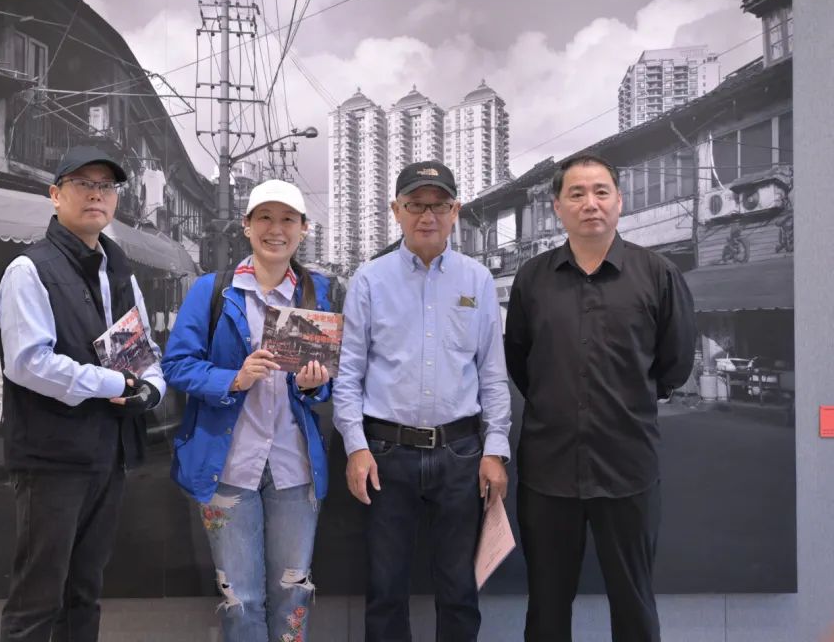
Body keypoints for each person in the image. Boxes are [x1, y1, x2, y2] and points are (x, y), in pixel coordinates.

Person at [504, 153, 697, 642]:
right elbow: (521, 362)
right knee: (547, 606)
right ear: (557, 207)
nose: (590, 203)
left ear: (619, 201)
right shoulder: (532, 279)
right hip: (548, 472)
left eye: (601, 192)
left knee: (634, 603)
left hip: (628, 468)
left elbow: (675, 363)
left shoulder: (658, 274)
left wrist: (627, 400)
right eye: (576, 193)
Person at [333, 161, 512, 642]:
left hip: (461, 455)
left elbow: (492, 374)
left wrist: (495, 449)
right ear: (397, 210)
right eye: (415, 204)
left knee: (460, 590)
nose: (427, 216)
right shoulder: (369, 280)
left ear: (455, 211)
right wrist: (355, 446)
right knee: (386, 589)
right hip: (385, 455)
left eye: (439, 205)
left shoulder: (477, 281)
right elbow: (349, 374)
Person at [0, 145, 166, 642]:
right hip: (52, 459)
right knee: (37, 600)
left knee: (85, 593)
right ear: (55, 195)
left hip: (109, 454)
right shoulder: (29, 269)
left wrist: (152, 389)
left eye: (106, 186)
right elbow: (28, 363)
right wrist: (115, 383)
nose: (96, 194)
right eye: (83, 184)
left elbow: (144, 350)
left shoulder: (120, 270)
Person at [163, 179, 332, 641]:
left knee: (293, 595)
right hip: (229, 466)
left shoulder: (315, 293)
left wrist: (314, 384)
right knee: (240, 599)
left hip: (295, 468)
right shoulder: (213, 291)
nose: (276, 229)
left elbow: (328, 382)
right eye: (265, 218)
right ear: (246, 225)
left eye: (287, 220)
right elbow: (176, 365)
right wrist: (232, 379)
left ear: (303, 228)